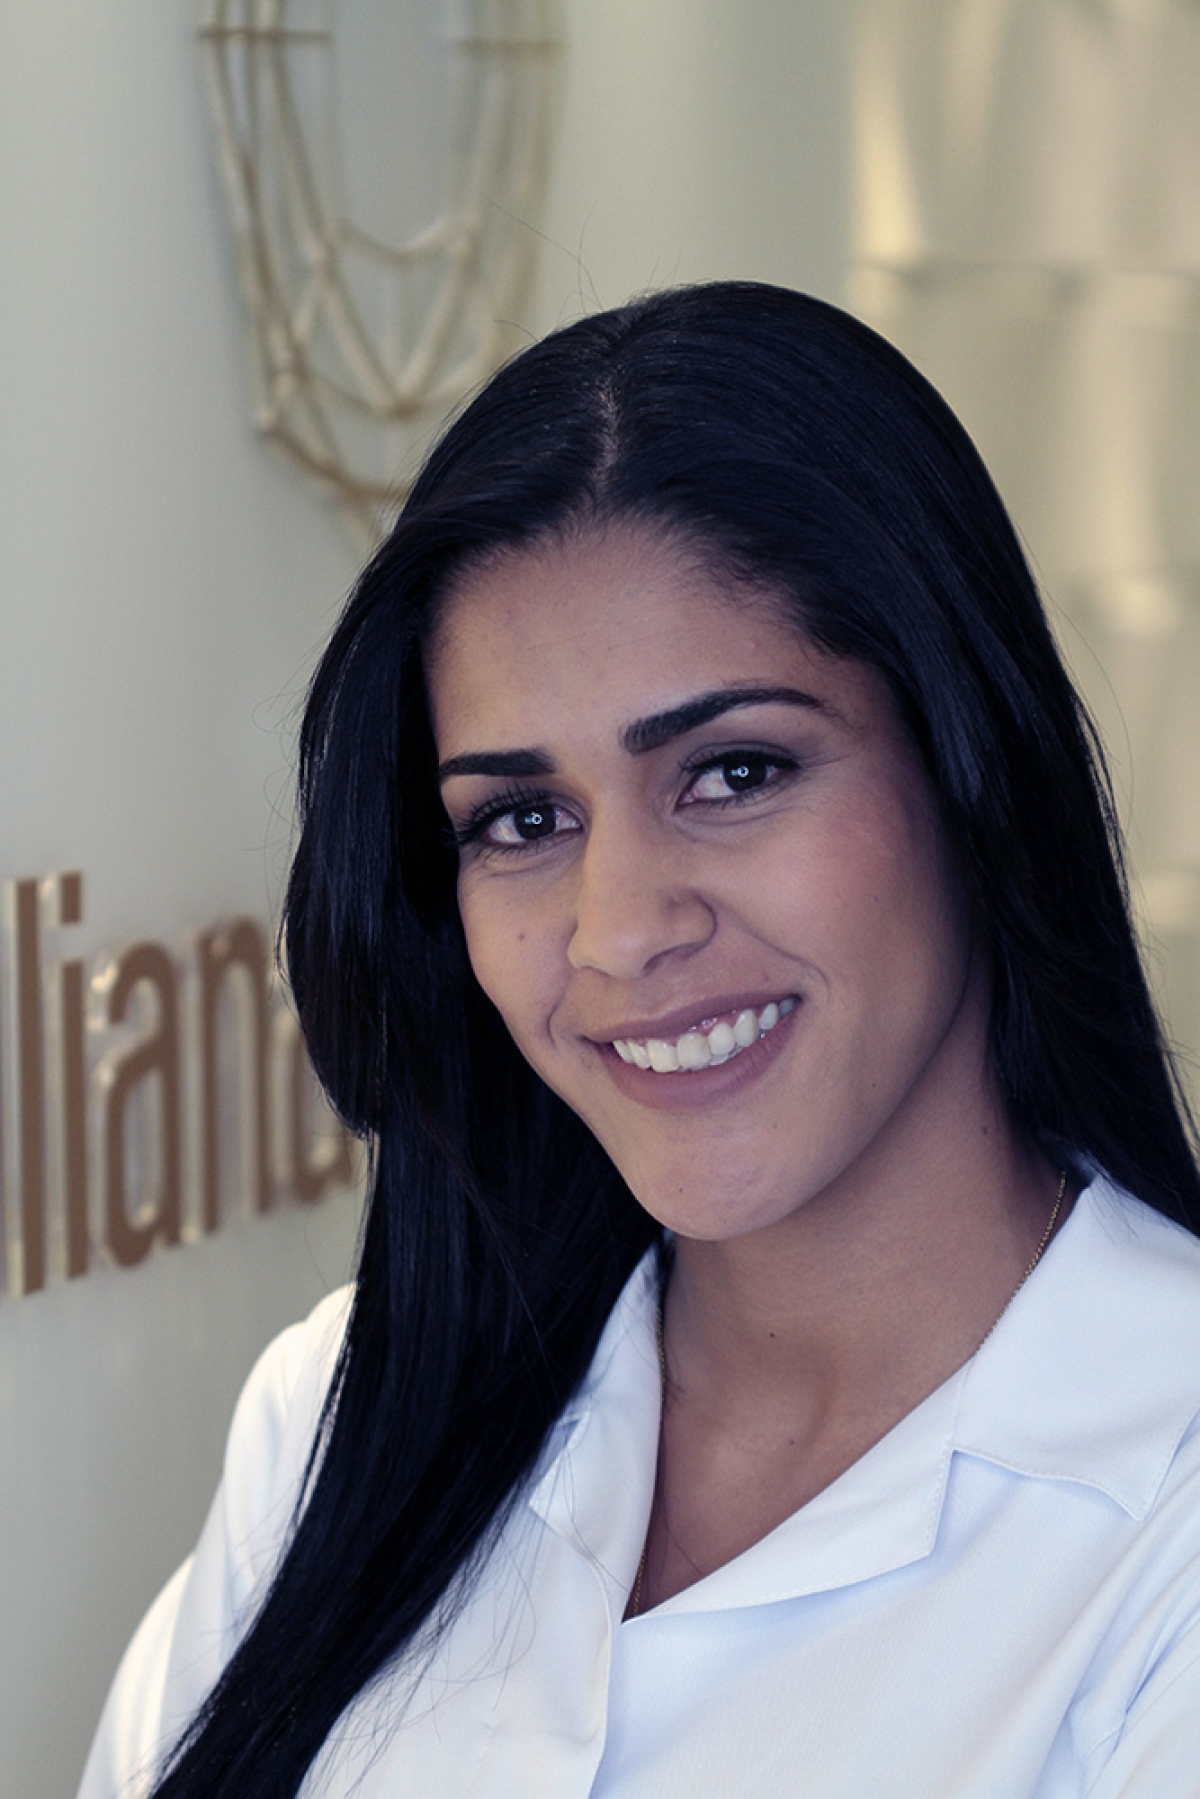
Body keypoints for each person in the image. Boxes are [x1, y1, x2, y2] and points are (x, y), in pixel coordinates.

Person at [79, 283, 1200, 1799]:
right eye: (522, 820)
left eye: (734, 773)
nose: (618, 932)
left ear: (967, 760)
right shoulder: (339, 1418)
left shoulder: (1168, 1510)